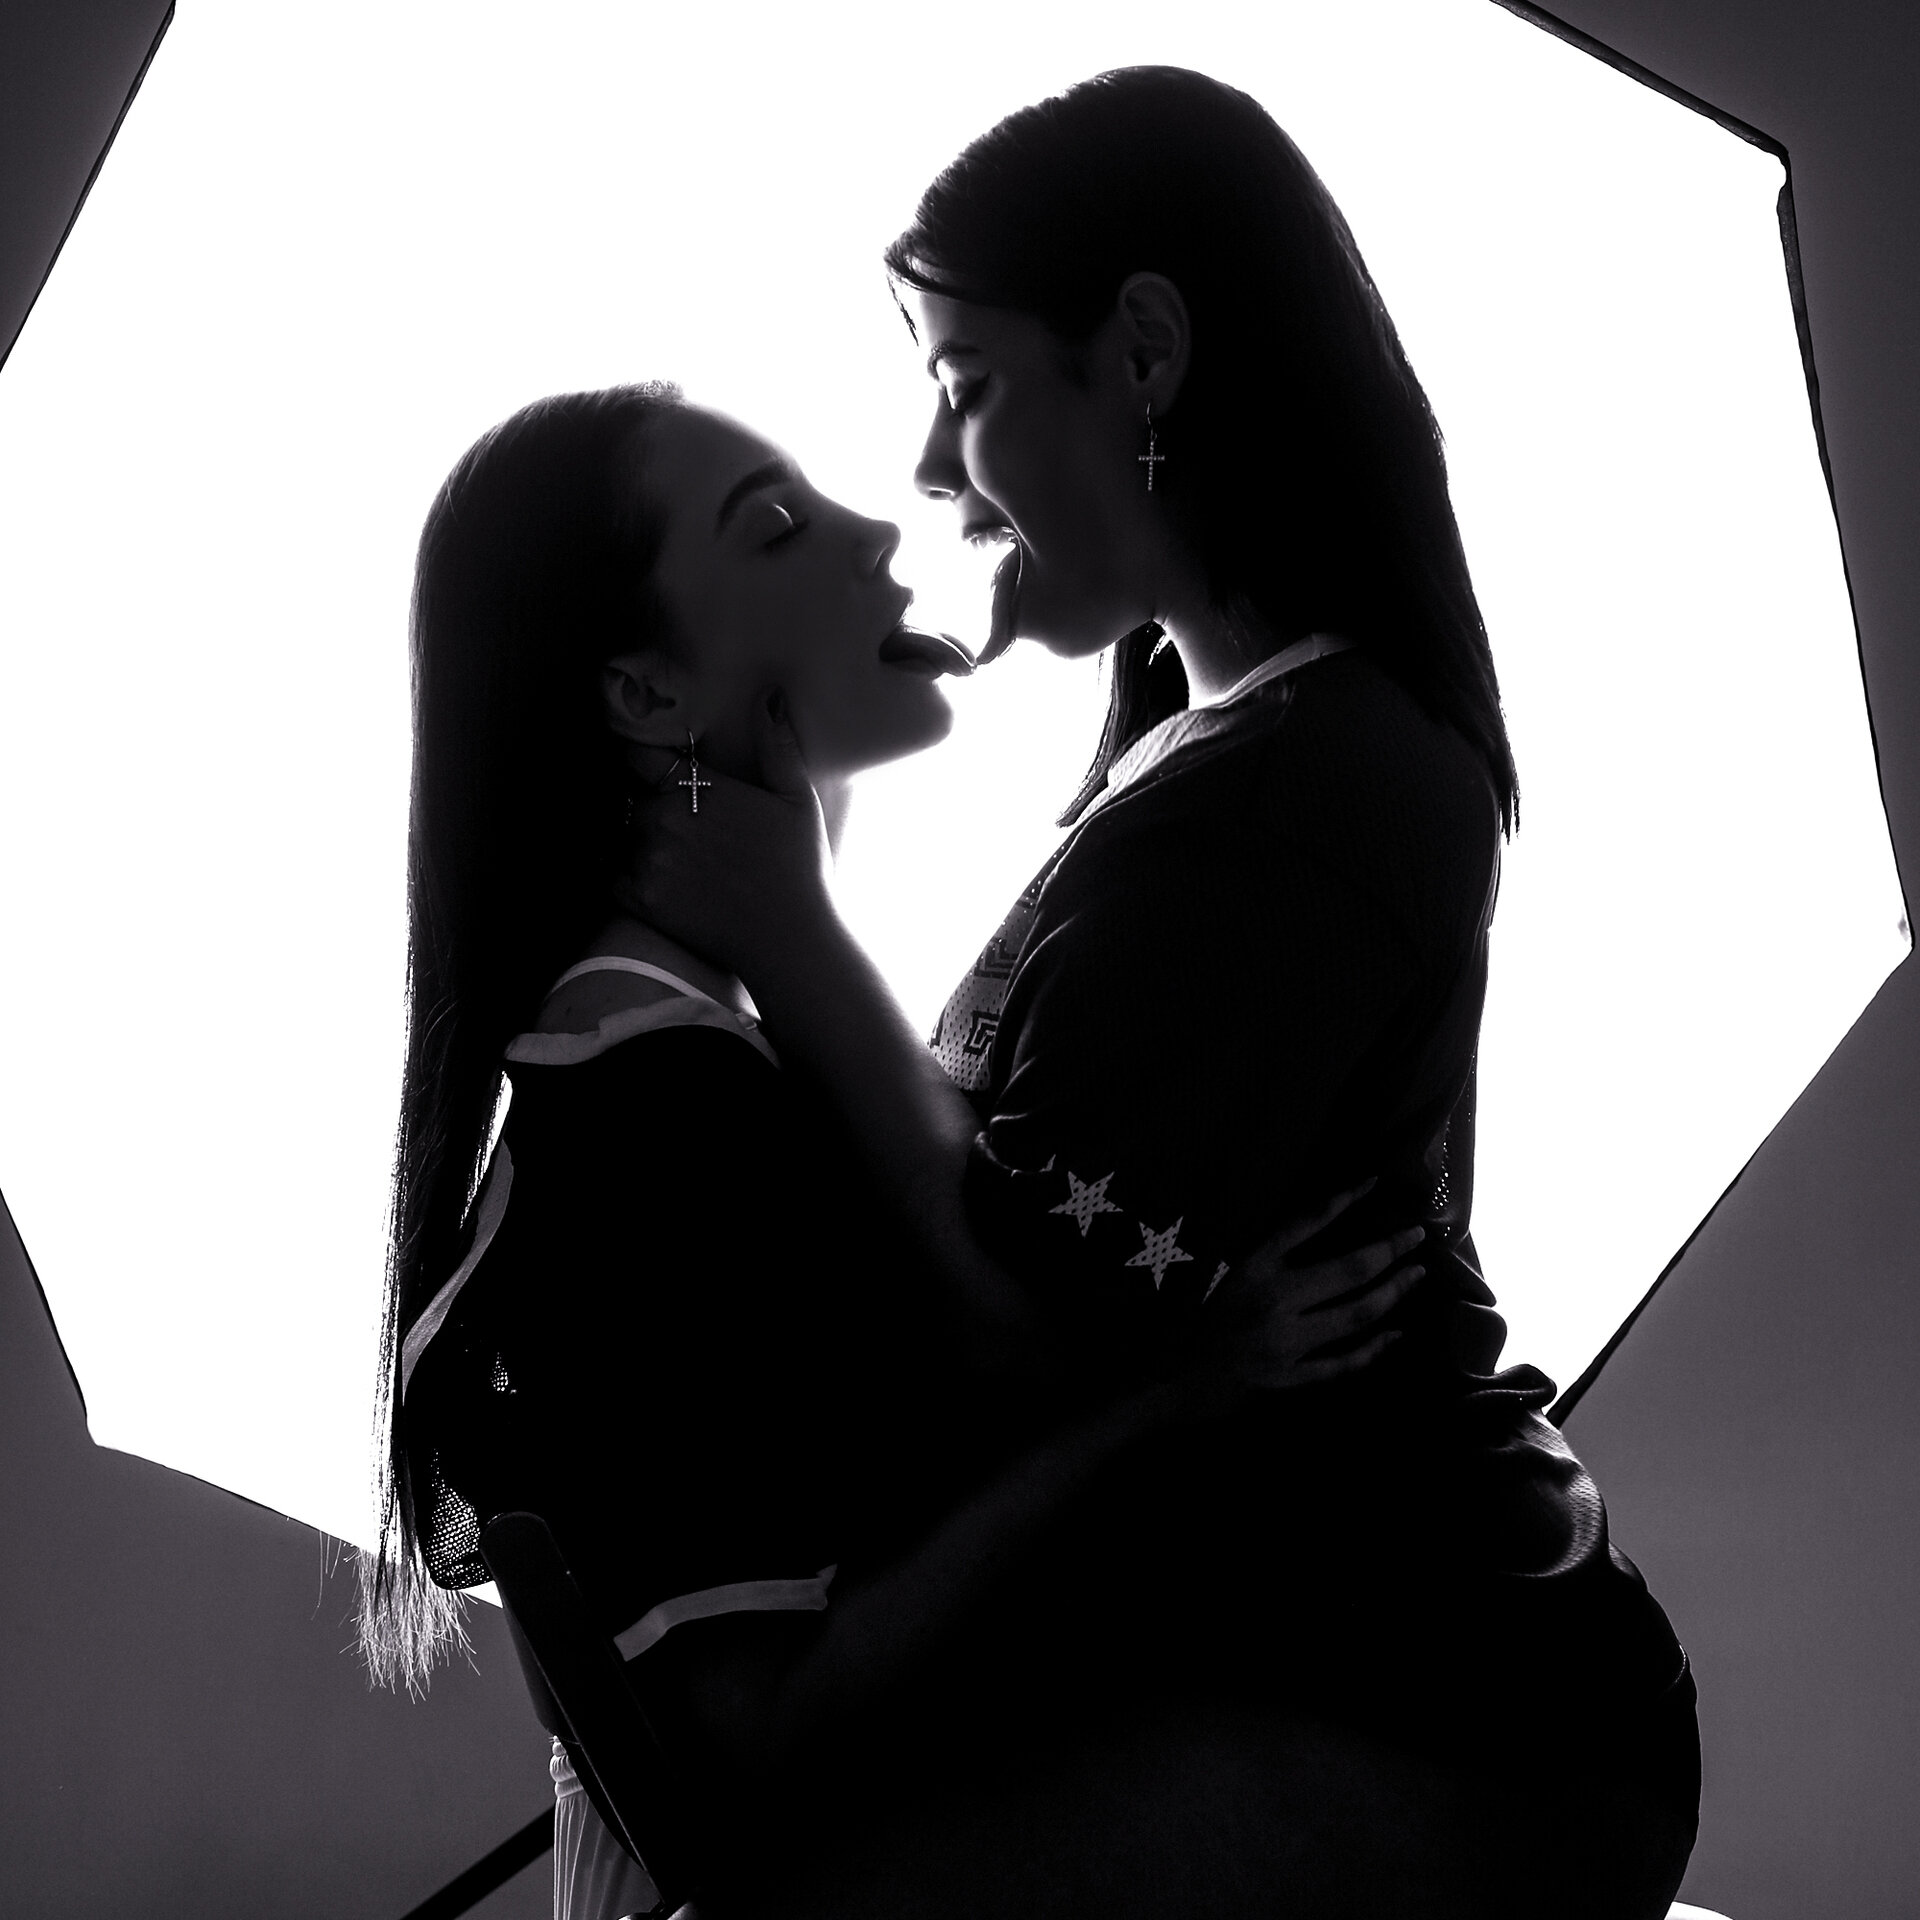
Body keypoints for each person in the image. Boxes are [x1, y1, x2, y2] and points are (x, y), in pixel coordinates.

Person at [623, 65, 1701, 1919]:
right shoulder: (1185, 735)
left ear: (1141, 355)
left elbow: (1001, 1348)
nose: (928, 468)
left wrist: (786, 946)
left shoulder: (1316, 786)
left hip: (1450, 1710)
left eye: (965, 383)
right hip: (1272, 1649)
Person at [360, 382, 1425, 1919]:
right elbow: (752, 1740)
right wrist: (1172, 1399)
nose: (875, 534)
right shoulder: (658, 1118)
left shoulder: (695, 1058)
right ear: (647, 694)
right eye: (776, 527)